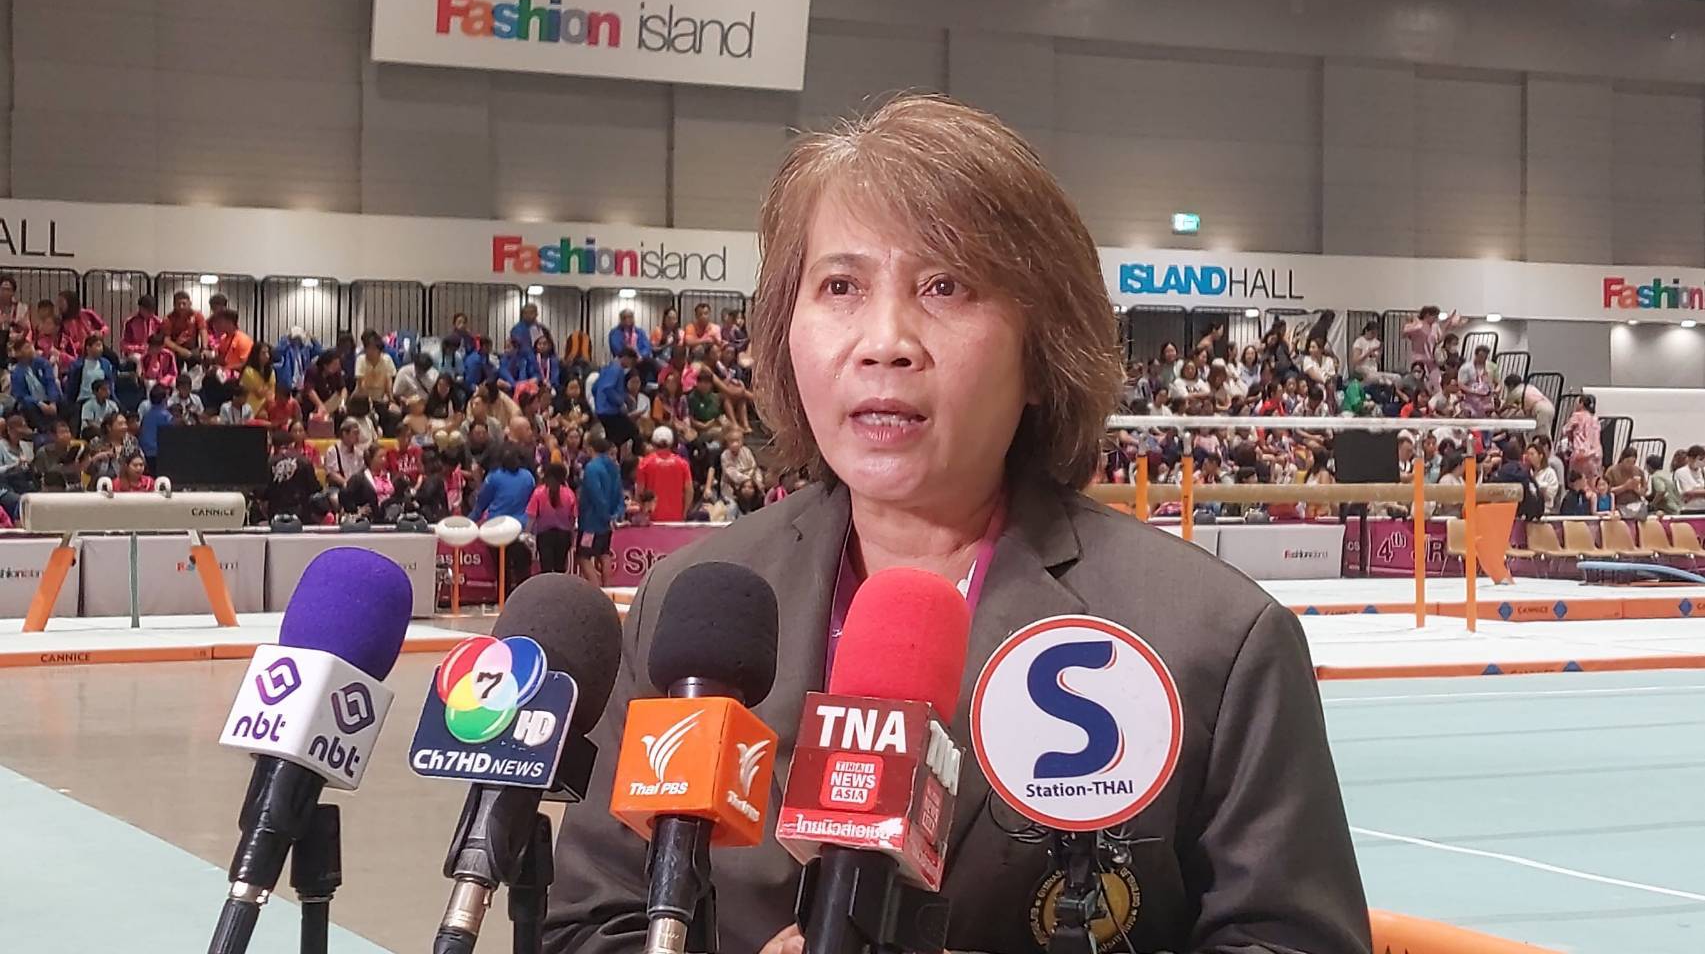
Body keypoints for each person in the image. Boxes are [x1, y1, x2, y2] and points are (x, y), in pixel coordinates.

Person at [545, 94, 1368, 954]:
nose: (885, 341)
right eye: (839, 286)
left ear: (1043, 351)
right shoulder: (691, 610)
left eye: (945, 286)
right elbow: (590, 927)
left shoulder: (1213, 642)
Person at [472, 444, 536, 591]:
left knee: (502, 571)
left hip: (497, 529)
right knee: (522, 572)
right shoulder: (528, 477)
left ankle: (504, 598)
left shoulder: (493, 477)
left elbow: (481, 503)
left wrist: (470, 520)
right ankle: (521, 597)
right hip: (520, 529)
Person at [575, 433, 623, 587]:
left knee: (583, 556)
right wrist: (615, 515)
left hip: (591, 523)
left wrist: (605, 516)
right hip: (607, 521)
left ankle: (595, 589)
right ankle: (607, 587)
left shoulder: (592, 468)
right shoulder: (614, 467)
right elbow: (619, 493)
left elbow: (596, 494)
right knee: (604, 553)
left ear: (591, 449)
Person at [528, 462, 579, 574]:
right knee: (560, 569)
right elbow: (573, 519)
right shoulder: (569, 494)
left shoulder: (538, 493)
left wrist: (527, 535)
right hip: (563, 537)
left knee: (546, 571)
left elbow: (531, 517)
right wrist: (572, 537)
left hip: (544, 537)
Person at [1401, 305, 1465, 393]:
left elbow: (1439, 339)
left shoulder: (1435, 326)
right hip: (1419, 360)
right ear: (1427, 315)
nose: (1435, 319)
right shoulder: (1417, 325)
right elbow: (1404, 334)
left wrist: (1449, 322)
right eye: (1434, 317)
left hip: (1432, 360)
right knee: (1420, 386)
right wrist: (1411, 323)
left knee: (1437, 384)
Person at [634, 426, 692, 521]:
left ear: (653, 442)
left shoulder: (644, 463)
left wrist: (643, 512)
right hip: (676, 518)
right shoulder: (682, 464)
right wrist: (684, 512)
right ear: (671, 443)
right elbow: (689, 491)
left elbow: (639, 492)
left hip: (652, 518)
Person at [9, 336, 62, 434]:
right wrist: (39, 403)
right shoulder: (16, 372)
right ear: (18, 353)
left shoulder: (43, 363)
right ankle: (43, 431)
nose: (31, 349)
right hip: (33, 403)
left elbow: (50, 382)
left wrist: (52, 402)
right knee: (27, 405)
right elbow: (21, 395)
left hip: (49, 399)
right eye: (27, 348)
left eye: (31, 346)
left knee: (68, 403)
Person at [593, 349, 639, 450]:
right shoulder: (617, 369)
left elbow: (595, 388)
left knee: (612, 438)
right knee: (633, 432)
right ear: (626, 358)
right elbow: (608, 389)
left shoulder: (606, 368)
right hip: (611, 411)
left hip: (601, 410)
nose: (630, 366)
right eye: (631, 362)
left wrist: (598, 403)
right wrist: (620, 402)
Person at [1559, 394, 1603, 482]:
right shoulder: (1595, 419)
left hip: (1581, 452)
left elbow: (1565, 430)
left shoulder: (1577, 416)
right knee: (1593, 482)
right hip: (1597, 453)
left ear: (1581, 403)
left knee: (1576, 481)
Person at [137, 384, 173, 475]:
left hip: (146, 453)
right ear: (164, 399)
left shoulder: (147, 415)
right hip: (160, 454)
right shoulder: (166, 416)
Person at [163, 291, 208, 363]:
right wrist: (180, 350)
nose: (181, 307)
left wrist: (204, 348)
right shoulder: (168, 319)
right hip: (175, 349)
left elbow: (203, 331)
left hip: (194, 350)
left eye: (184, 303)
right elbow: (166, 340)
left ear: (190, 303)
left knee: (203, 356)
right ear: (174, 305)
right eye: (178, 304)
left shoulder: (197, 315)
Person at [119, 295, 162, 366]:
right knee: (140, 359)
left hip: (153, 351)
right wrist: (140, 348)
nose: (151, 313)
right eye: (148, 310)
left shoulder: (158, 322)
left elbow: (161, 341)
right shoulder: (130, 322)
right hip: (135, 353)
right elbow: (123, 345)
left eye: (152, 310)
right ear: (141, 308)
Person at [1456, 344, 1498, 417]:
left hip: (1486, 400)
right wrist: (1474, 391)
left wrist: (1495, 391)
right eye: (1481, 356)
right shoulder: (1466, 368)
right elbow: (1460, 384)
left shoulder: (1490, 367)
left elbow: (1497, 382)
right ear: (1476, 355)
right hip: (1471, 400)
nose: (1483, 358)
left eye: (1485, 356)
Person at [240, 342, 276, 414]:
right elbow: (259, 394)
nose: (267, 356)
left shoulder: (271, 371)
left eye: (267, 353)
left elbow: (272, 392)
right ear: (256, 355)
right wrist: (267, 390)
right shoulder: (248, 372)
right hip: (253, 407)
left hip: (268, 406)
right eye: (263, 353)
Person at [1527, 443, 1560, 516]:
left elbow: (1552, 493)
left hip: (1546, 510)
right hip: (1530, 511)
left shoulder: (1550, 472)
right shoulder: (1527, 472)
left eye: (1532, 454)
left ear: (1540, 456)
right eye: (1528, 454)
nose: (1529, 457)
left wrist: (1542, 488)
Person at [1676, 444, 1705, 513]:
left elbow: (1692, 492)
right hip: (1689, 509)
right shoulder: (1681, 472)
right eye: (1700, 459)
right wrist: (1701, 492)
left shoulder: (1703, 471)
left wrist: (1695, 493)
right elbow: (1687, 493)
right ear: (1690, 458)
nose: (1702, 462)